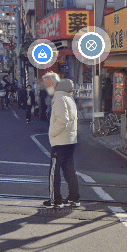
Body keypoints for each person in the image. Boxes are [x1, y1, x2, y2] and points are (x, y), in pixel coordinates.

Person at [43, 74, 80, 208]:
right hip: (71, 140)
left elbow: (62, 120)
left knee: (54, 171)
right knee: (69, 169)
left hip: (60, 141)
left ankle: (55, 200)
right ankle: (74, 198)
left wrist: (52, 133)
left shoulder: (59, 98)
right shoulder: (70, 99)